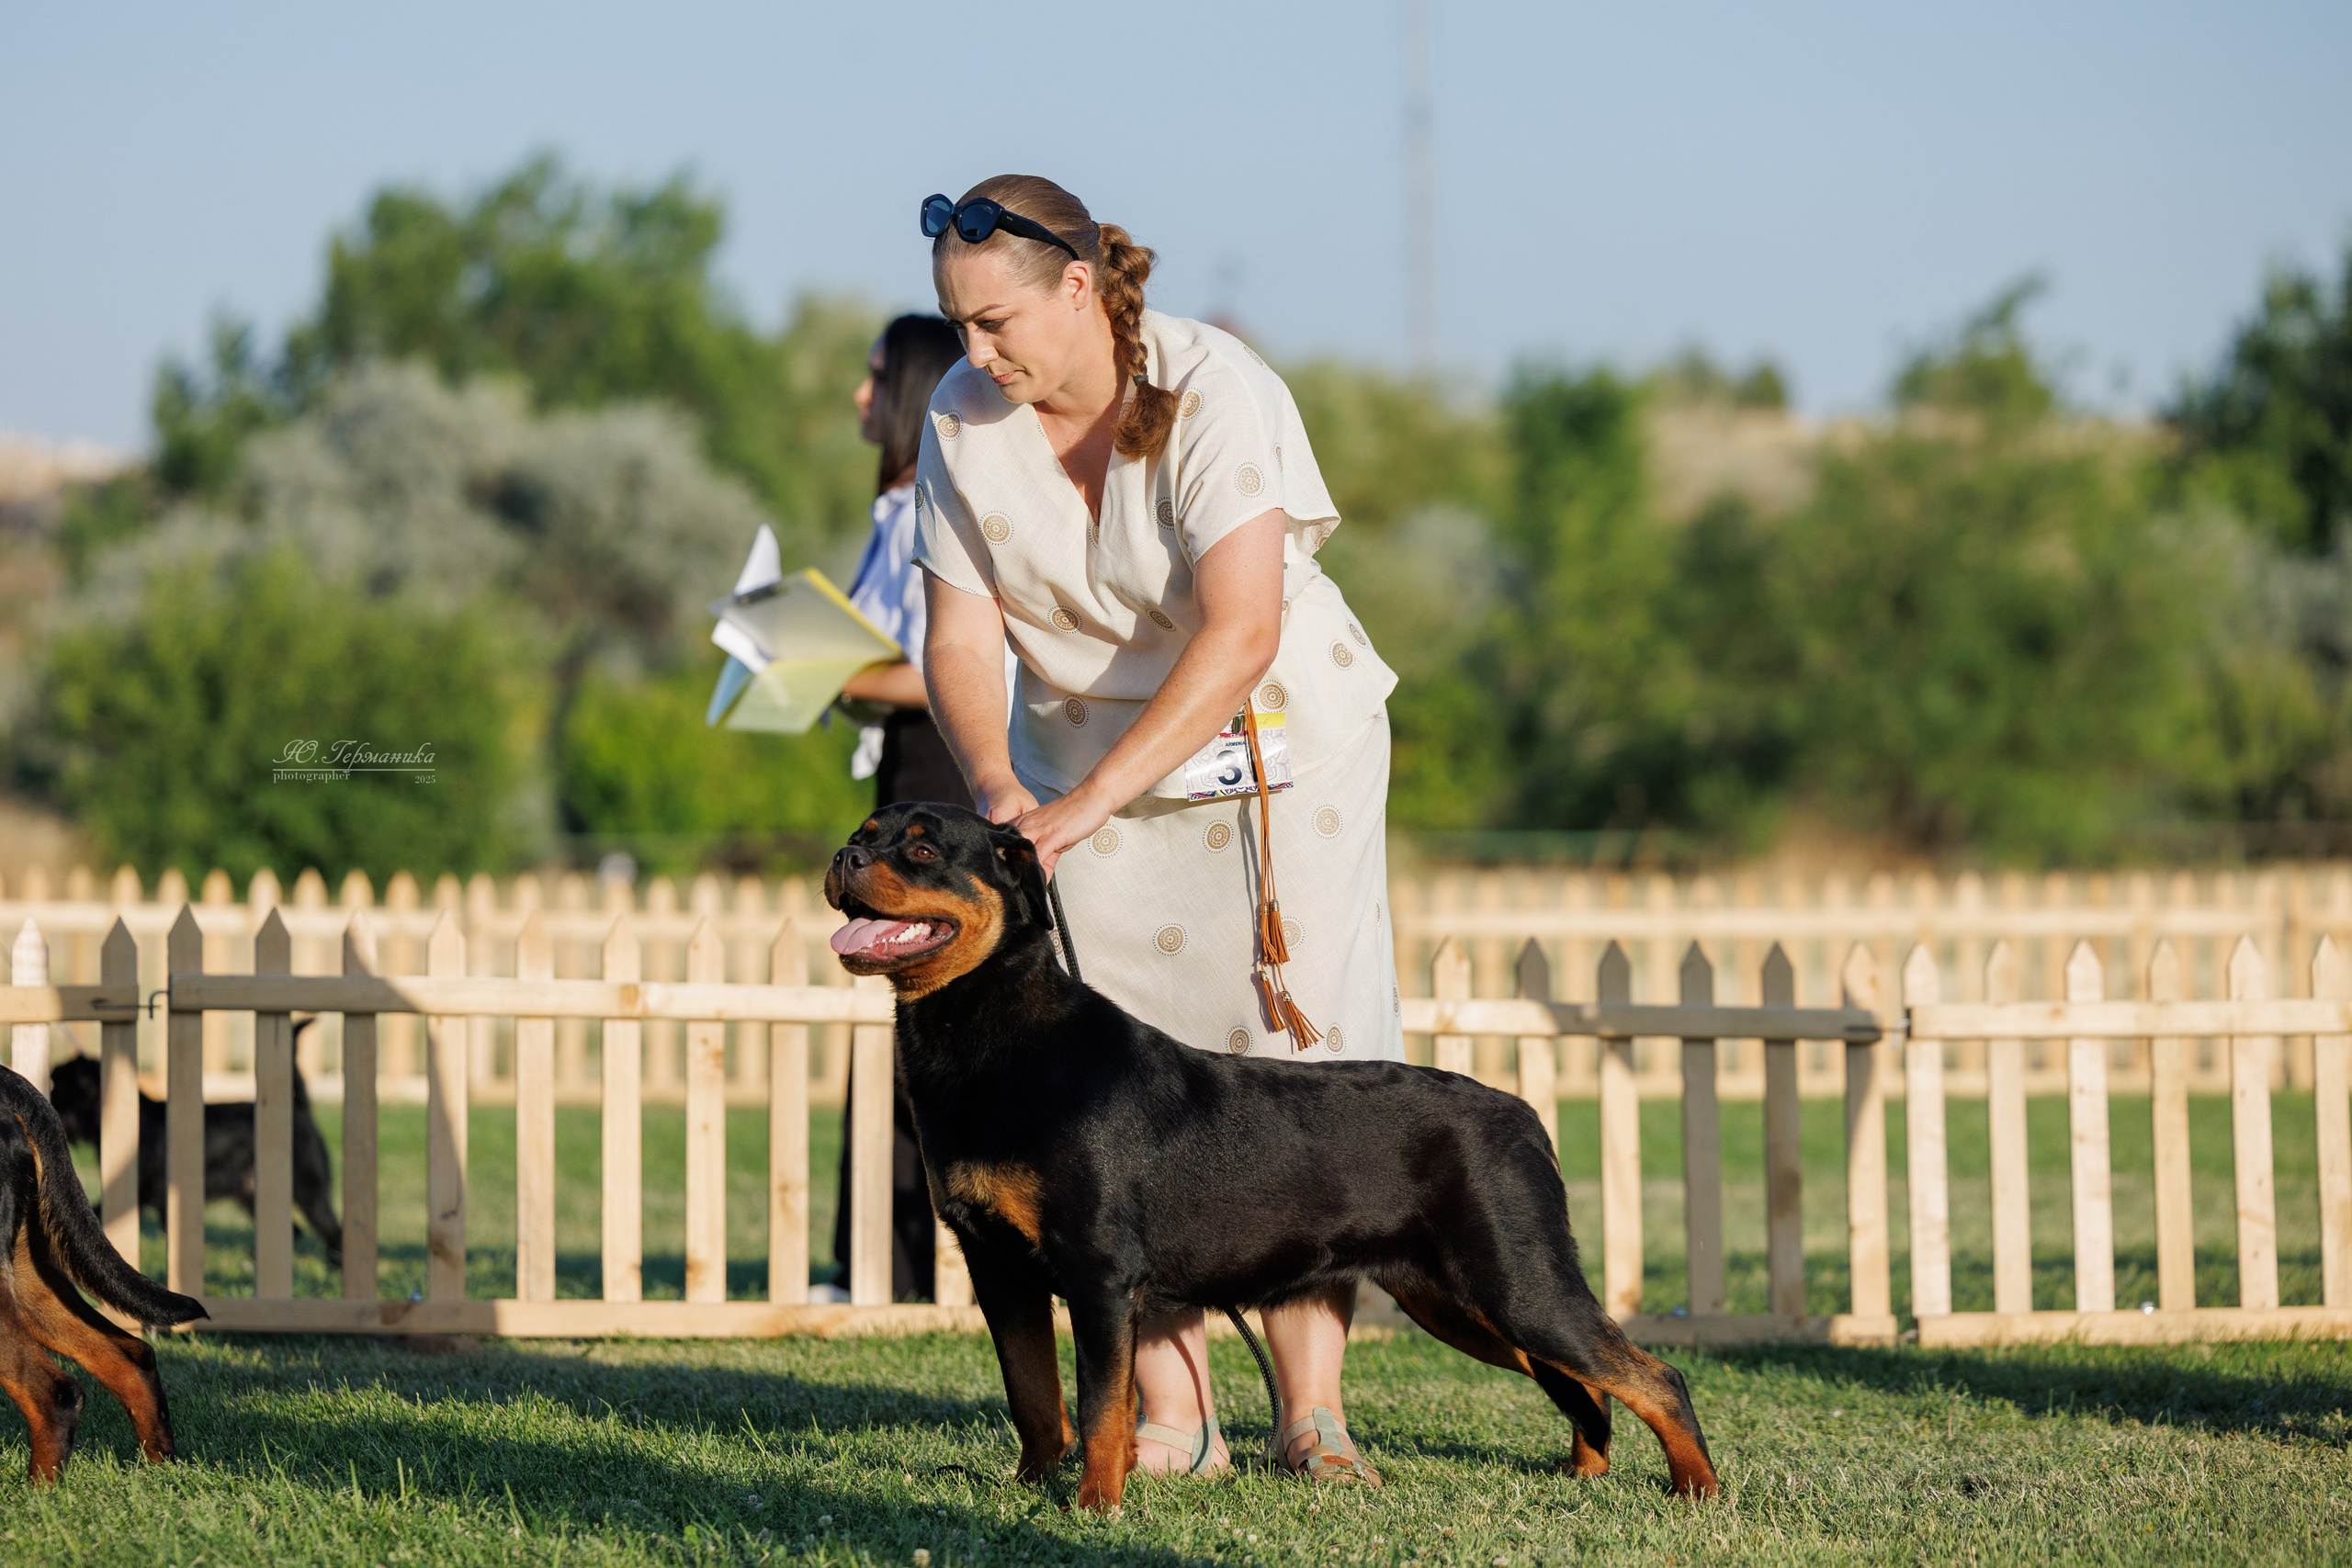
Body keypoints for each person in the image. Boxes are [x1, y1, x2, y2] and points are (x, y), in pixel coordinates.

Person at [913, 175, 1403, 1483]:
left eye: (999, 320)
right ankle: (1177, 1415)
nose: (977, 353)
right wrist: (1000, 786)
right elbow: (958, 636)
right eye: (957, 324)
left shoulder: (1211, 384)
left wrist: (1088, 797)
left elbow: (1242, 630)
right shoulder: (958, 422)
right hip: (1077, 780)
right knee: (1121, 1103)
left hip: (1274, 751)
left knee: (1289, 1076)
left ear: (1080, 286)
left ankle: (1314, 1412)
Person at [829, 312, 969, 1303]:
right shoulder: (889, 509)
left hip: (945, 783)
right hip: (898, 779)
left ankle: (903, 1273)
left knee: (929, 1031)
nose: (858, 394)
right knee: (897, 1033)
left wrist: (843, 673)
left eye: (875, 375)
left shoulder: (938, 507)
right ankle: (879, 1266)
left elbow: (955, 670)